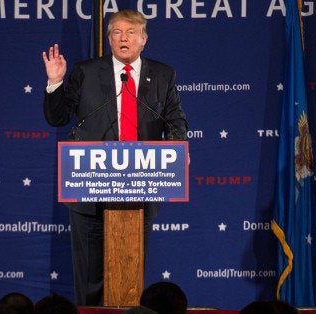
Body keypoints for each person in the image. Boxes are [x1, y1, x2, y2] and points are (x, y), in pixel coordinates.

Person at [42, 9, 188, 306]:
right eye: (118, 32)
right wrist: (55, 82)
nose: (124, 38)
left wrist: (177, 146)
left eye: (131, 32)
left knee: (130, 268)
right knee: (90, 275)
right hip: (89, 188)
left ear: (143, 40)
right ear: (109, 39)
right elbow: (57, 118)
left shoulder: (162, 75)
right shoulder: (86, 71)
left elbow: (175, 120)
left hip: (141, 185)